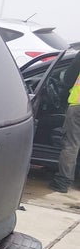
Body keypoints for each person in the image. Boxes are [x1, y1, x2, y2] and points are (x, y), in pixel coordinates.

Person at [49, 54, 80, 193]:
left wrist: (62, 99)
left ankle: (62, 182)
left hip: (78, 105)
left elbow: (68, 77)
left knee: (71, 144)